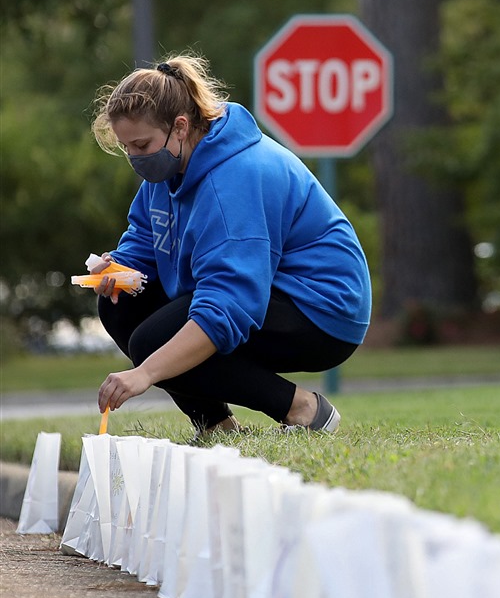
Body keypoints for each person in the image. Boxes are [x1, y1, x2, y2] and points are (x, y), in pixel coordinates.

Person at [88, 53, 371, 437]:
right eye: (127, 149)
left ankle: (302, 408)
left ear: (181, 127)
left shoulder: (234, 179)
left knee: (153, 342)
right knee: (120, 304)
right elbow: (145, 239)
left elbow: (228, 305)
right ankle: (216, 427)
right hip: (261, 292)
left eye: (141, 145)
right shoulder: (168, 170)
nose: (136, 159)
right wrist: (119, 268)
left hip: (323, 310)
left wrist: (146, 373)